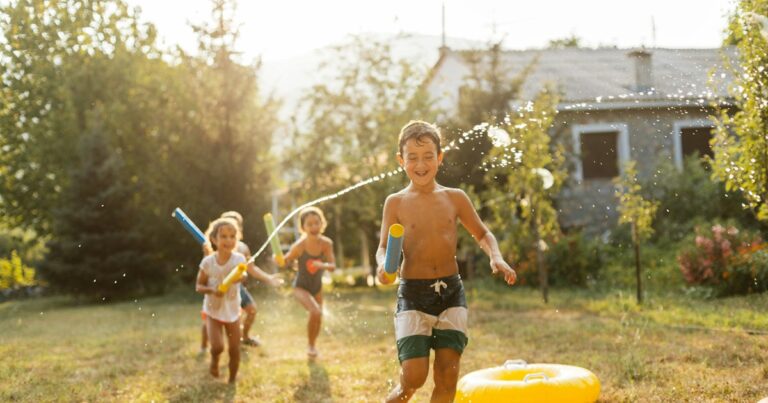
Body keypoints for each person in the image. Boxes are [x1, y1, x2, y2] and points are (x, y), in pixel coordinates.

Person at [376, 120, 517, 402]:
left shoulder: (455, 198)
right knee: (413, 378)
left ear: (440, 158)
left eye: (428, 156)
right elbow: (382, 247)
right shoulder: (396, 202)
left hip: (451, 292)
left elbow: (483, 233)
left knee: (447, 375)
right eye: (413, 157)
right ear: (400, 160)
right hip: (413, 295)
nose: (421, 164)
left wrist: (496, 256)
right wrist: (383, 267)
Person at [200, 211, 282, 354]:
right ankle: (204, 346)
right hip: (218, 287)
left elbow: (251, 268)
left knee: (251, 310)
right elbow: (208, 265)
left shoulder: (243, 248)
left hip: (237, 288)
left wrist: (268, 278)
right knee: (211, 316)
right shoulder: (214, 247)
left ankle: (245, 337)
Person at [196, 217, 246, 383]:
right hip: (213, 310)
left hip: (232, 310)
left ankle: (232, 380)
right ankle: (214, 360)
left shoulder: (238, 259)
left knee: (234, 349)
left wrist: (240, 277)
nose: (228, 240)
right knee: (217, 347)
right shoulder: (208, 262)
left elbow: (243, 274)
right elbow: (199, 286)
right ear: (214, 240)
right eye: (223, 236)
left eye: (232, 236)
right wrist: (212, 290)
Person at [282, 206, 336, 359]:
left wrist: (322, 265)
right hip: (301, 286)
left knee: (318, 316)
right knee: (315, 311)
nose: (314, 227)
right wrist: (278, 259)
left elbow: (332, 267)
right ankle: (310, 346)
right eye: (309, 224)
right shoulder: (299, 246)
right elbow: (285, 260)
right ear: (303, 228)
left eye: (316, 223)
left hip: (317, 286)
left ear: (322, 223)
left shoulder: (326, 244)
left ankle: (312, 345)